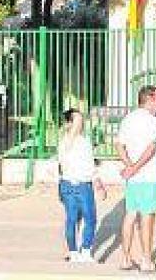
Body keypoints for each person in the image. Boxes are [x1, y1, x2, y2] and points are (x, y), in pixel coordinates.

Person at [117, 84, 156, 272]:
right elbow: (151, 149)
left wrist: (129, 166)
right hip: (148, 175)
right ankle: (146, 259)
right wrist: (135, 167)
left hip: (134, 177)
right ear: (150, 98)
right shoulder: (151, 121)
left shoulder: (128, 119)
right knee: (147, 217)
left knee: (130, 215)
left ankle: (126, 258)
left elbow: (119, 145)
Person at [57, 108, 107, 263]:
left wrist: (98, 183)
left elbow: (90, 164)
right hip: (70, 184)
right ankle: (73, 251)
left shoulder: (84, 141)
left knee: (90, 218)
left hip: (85, 184)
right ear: (69, 123)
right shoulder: (66, 141)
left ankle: (85, 250)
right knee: (72, 219)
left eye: (82, 120)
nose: (81, 123)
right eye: (77, 120)